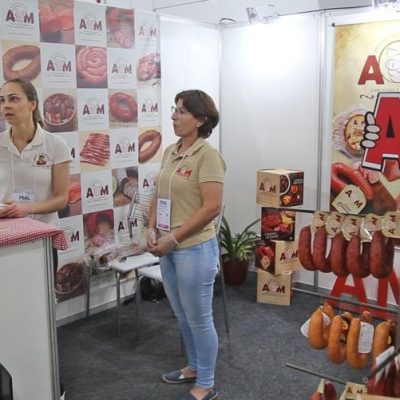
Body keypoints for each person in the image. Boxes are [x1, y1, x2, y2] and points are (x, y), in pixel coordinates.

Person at [147, 90, 225, 400]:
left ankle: (205, 383)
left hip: (193, 248)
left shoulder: (208, 156)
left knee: (199, 317)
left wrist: (173, 238)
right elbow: (159, 193)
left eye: (181, 111)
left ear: (201, 119)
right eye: (174, 109)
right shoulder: (171, 151)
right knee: (181, 314)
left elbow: (211, 208)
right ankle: (193, 367)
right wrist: (151, 228)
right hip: (168, 247)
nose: (174, 116)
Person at [0, 78, 70, 400]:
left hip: (39, 246)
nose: (5, 107)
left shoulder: (54, 146)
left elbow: (60, 199)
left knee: (39, 314)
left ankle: (47, 378)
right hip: (5, 244)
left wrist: (25, 208)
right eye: (2, 101)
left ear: (32, 104)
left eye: (13, 99)